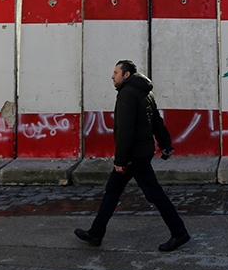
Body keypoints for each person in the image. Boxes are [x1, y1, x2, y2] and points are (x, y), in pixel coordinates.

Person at [74, 60, 190, 252]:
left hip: (134, 156)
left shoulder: (127, 94)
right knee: (112, 190)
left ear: (126, 75)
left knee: (154, 194)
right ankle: (96, 233)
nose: (112, 76)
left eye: (116, 73)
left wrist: (121, 161)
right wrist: (165, 144)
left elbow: (125, 130)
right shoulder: (144, 92)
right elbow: (156, 121)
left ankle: (179, 232)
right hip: (139, 152)